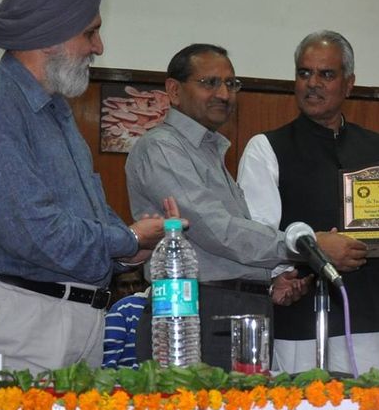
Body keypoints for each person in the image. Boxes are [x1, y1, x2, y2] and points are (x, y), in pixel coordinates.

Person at [0, 0, 175, 374]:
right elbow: (36, 233)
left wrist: (130, 251)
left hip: (50, 325)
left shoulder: (53, 111)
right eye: (90, 33)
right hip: (8, 327)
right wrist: (128, 238)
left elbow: (81, 220)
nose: (99, 47)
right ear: (48, 39)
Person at [125, 43, 347, 368]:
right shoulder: (161, 148)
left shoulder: (209, 152)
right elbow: (216, 230)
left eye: (231, 84)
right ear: (173, 90)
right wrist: (304, 247)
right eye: (209, 83)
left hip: (235, 311)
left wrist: (266, 283)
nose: (225, 94)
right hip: (193, 317)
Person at [237, 30, 379, 376]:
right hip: (300, 322)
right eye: (304, 73)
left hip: (372, 317)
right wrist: (307, 257)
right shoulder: (265, 148)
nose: (313, 83)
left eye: (326, 74)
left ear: (349, 84)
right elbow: (258, 238)